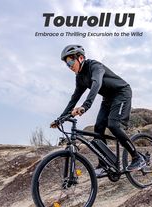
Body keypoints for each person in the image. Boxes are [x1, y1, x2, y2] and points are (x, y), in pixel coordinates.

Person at [51, 45, 146, 176]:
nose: (70, 66)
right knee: (98, 129)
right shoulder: (80, 78)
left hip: (122, 93)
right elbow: (74, 98)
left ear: (81, 58)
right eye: (67, 64)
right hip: (108, 98)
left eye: (71, 61)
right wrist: (60, 118)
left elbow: (97, 83)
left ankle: (137, 158)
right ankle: (104, 164)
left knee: (113, 125)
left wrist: (85, 106)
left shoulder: (95, 66)